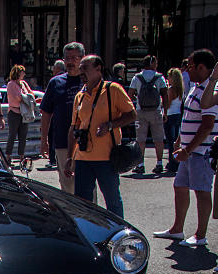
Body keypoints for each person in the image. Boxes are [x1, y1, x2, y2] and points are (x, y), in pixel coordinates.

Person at [154, 49, 218, 247]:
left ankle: (200, 234)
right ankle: (177, 229)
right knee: (180, 186)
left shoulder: (211, 90)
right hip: (189, 150)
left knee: (201, 190)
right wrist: (180, 140)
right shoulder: (196, 87)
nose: (186, 70)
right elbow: (189, 118)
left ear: (201, 67)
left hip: (201, 151)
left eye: (189, 66)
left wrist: (187, 149)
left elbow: (207, 125)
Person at [65, 55, 136, 218]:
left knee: (112, 201)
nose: (81, 71)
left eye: (85, 68)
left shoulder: (113, 90)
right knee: (82, 203)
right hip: (83, 158)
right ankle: (88, 236)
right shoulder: (80, 96)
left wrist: (110, 125)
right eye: (80, 68)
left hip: (107, 157)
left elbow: (132, 115)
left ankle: (119, 236)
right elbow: (74, 128)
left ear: (98, 69)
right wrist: (70, 157)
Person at [40, 42, 87, 194]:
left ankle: (88, 217)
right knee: (67, 185)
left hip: (87, 143)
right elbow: (46, 113)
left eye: (74, 58)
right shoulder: (56, 83)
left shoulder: (89, 82)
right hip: (62, 142)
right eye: (67, 58)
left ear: (82, 59)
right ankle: (71, 217)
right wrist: (44, 140)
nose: (70, 62)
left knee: (87, 187)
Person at [128, 55, 169, 174]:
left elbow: (129, 95)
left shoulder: (137, 77)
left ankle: (140, 164)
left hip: (141, 111)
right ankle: (159, 163)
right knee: (158, 138)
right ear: (152, 64)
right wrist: (165, 111)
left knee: (140, 139)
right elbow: (165, 95)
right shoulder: (159, 77)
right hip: (156, 111)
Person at [5, 65, 34, 163]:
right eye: (23, 72)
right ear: (18, 73)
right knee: (12, 135)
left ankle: (22, 156)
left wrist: (27, 98)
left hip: (24, 113)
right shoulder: (11, 84)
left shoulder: (24, 84)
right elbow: (18, 98)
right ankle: (8, 156)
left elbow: (31, 94)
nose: (24, 74)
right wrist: (26, 98)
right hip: (14, 112)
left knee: (23, 135)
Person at [164, 68, 185, 173]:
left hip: (170, 115)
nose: (168, 78)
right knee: (175, 140)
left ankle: (173, 162)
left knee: (170, 141)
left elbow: (167, 104)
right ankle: (176, 161)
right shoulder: (180, 89)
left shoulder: (171, 89)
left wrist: (164, 113)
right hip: (177, 115)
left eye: (169, 76)